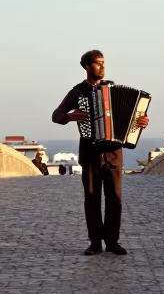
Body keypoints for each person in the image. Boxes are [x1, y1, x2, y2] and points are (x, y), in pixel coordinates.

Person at [52, 49, 149, 256]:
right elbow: (56, 115)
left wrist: (141, 122)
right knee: (92, 197)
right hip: (90, 152)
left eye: (104, 63)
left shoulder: (111, 88)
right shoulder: (78, 92)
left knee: (115, 198)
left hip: (114, 153)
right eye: (97, 63)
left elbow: (134, 116)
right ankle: (95, 242)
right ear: (87, 67)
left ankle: (113, 242)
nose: (102, 67)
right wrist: (71, 117)